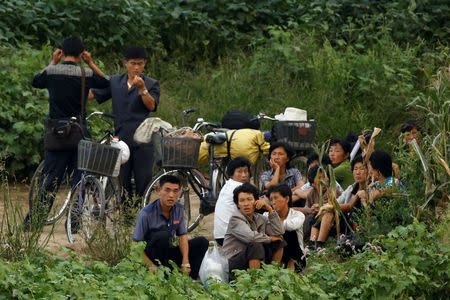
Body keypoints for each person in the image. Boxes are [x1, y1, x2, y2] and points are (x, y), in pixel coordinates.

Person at [26, 37, 109, 225]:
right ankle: (74, 222)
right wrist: (91, 62)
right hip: (78, 133)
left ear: (61, 52)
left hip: (56, 134)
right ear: (81, 54)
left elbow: (35, 81)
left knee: (50, 178)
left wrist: (53, 61)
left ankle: (36, 220)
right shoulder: (85, 73)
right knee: (80, 178)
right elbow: (106, 82)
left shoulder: (52, 72)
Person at [92, 46, 160, 205]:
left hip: (143, 141)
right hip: (121, 140)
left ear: (145, 64)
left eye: (140, 64)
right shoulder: (116, 81)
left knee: (143, 181)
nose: (137, 67)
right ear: (125, 63)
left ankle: (141, 216)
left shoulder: (151, 83)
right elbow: (95, 94)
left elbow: (151, 106)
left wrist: (142, 89)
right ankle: (126, 219)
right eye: (133, 63)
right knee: (122, 182)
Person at [132, 175, 209, 279]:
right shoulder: (146, 213)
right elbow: (134, 246)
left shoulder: (179, 209)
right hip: (151, 256)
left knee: (202, 242)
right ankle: (163, 276)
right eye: (167, 190)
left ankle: (190, 278)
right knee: (163, 236)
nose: (171, 195)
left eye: (175, 191)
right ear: (159, 191)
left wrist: (185, 261)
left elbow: (182, 237)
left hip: (167, 251)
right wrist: (150, 265)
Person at [222, 183, 285, 274]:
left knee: (279, 241)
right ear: (238, 204)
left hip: (253, 257)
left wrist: (270, 210)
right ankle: (254, 281)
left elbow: (279, 231)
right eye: (242, 201)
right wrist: (269, 238)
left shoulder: (260, 218)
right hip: (233, 261)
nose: (246, 204)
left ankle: (274, 274)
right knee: (255, 245)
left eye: (249, 199)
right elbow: (251, 237)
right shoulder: (235, 219)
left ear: (256, 201)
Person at [309, 155, 367, 249]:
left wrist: (329, 207)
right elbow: (337, 202)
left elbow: (346, 206)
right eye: (355, 169)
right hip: (344, 222)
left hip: (355, 224)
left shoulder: (369, 189)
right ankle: (313, 243)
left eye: (362, 169)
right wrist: (322, 206)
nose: (358, 172)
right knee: (322, 212)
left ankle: (319, 244)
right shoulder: (351, 188)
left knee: (328, 211)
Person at [266, 184, 306, 271]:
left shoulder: (298, 215)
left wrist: (273, 223)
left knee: (288, 232)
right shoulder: (266, 215)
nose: (273, 202)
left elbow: (291, 226)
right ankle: (275, 266)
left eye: (276, 198)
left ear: (287, 199)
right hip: (274, 252)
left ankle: (290, 264)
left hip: (296, 255)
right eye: (271, 199)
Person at [213, 157, 251, 246]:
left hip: (220, 236)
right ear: (231, 174)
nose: (244, 175)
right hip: (231, 236)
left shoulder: (228, 185)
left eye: (246, 171)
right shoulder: (239, 187)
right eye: (239, 172)